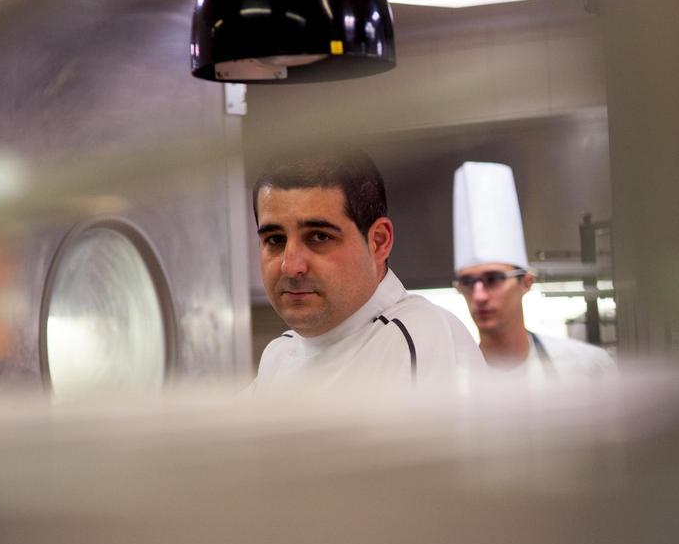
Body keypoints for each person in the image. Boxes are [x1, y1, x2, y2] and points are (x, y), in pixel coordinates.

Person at [250, 150, 483, 392]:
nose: (291, 266)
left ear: (379, 242)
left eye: (319, 237)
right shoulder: (277, 357)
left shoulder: (420, 339)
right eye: (275, 239)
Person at [452, 161, 615, 382]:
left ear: (526, 282)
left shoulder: (587, 368)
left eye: (493, 279)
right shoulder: (453, 383)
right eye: (468, 282)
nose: (479, 296)